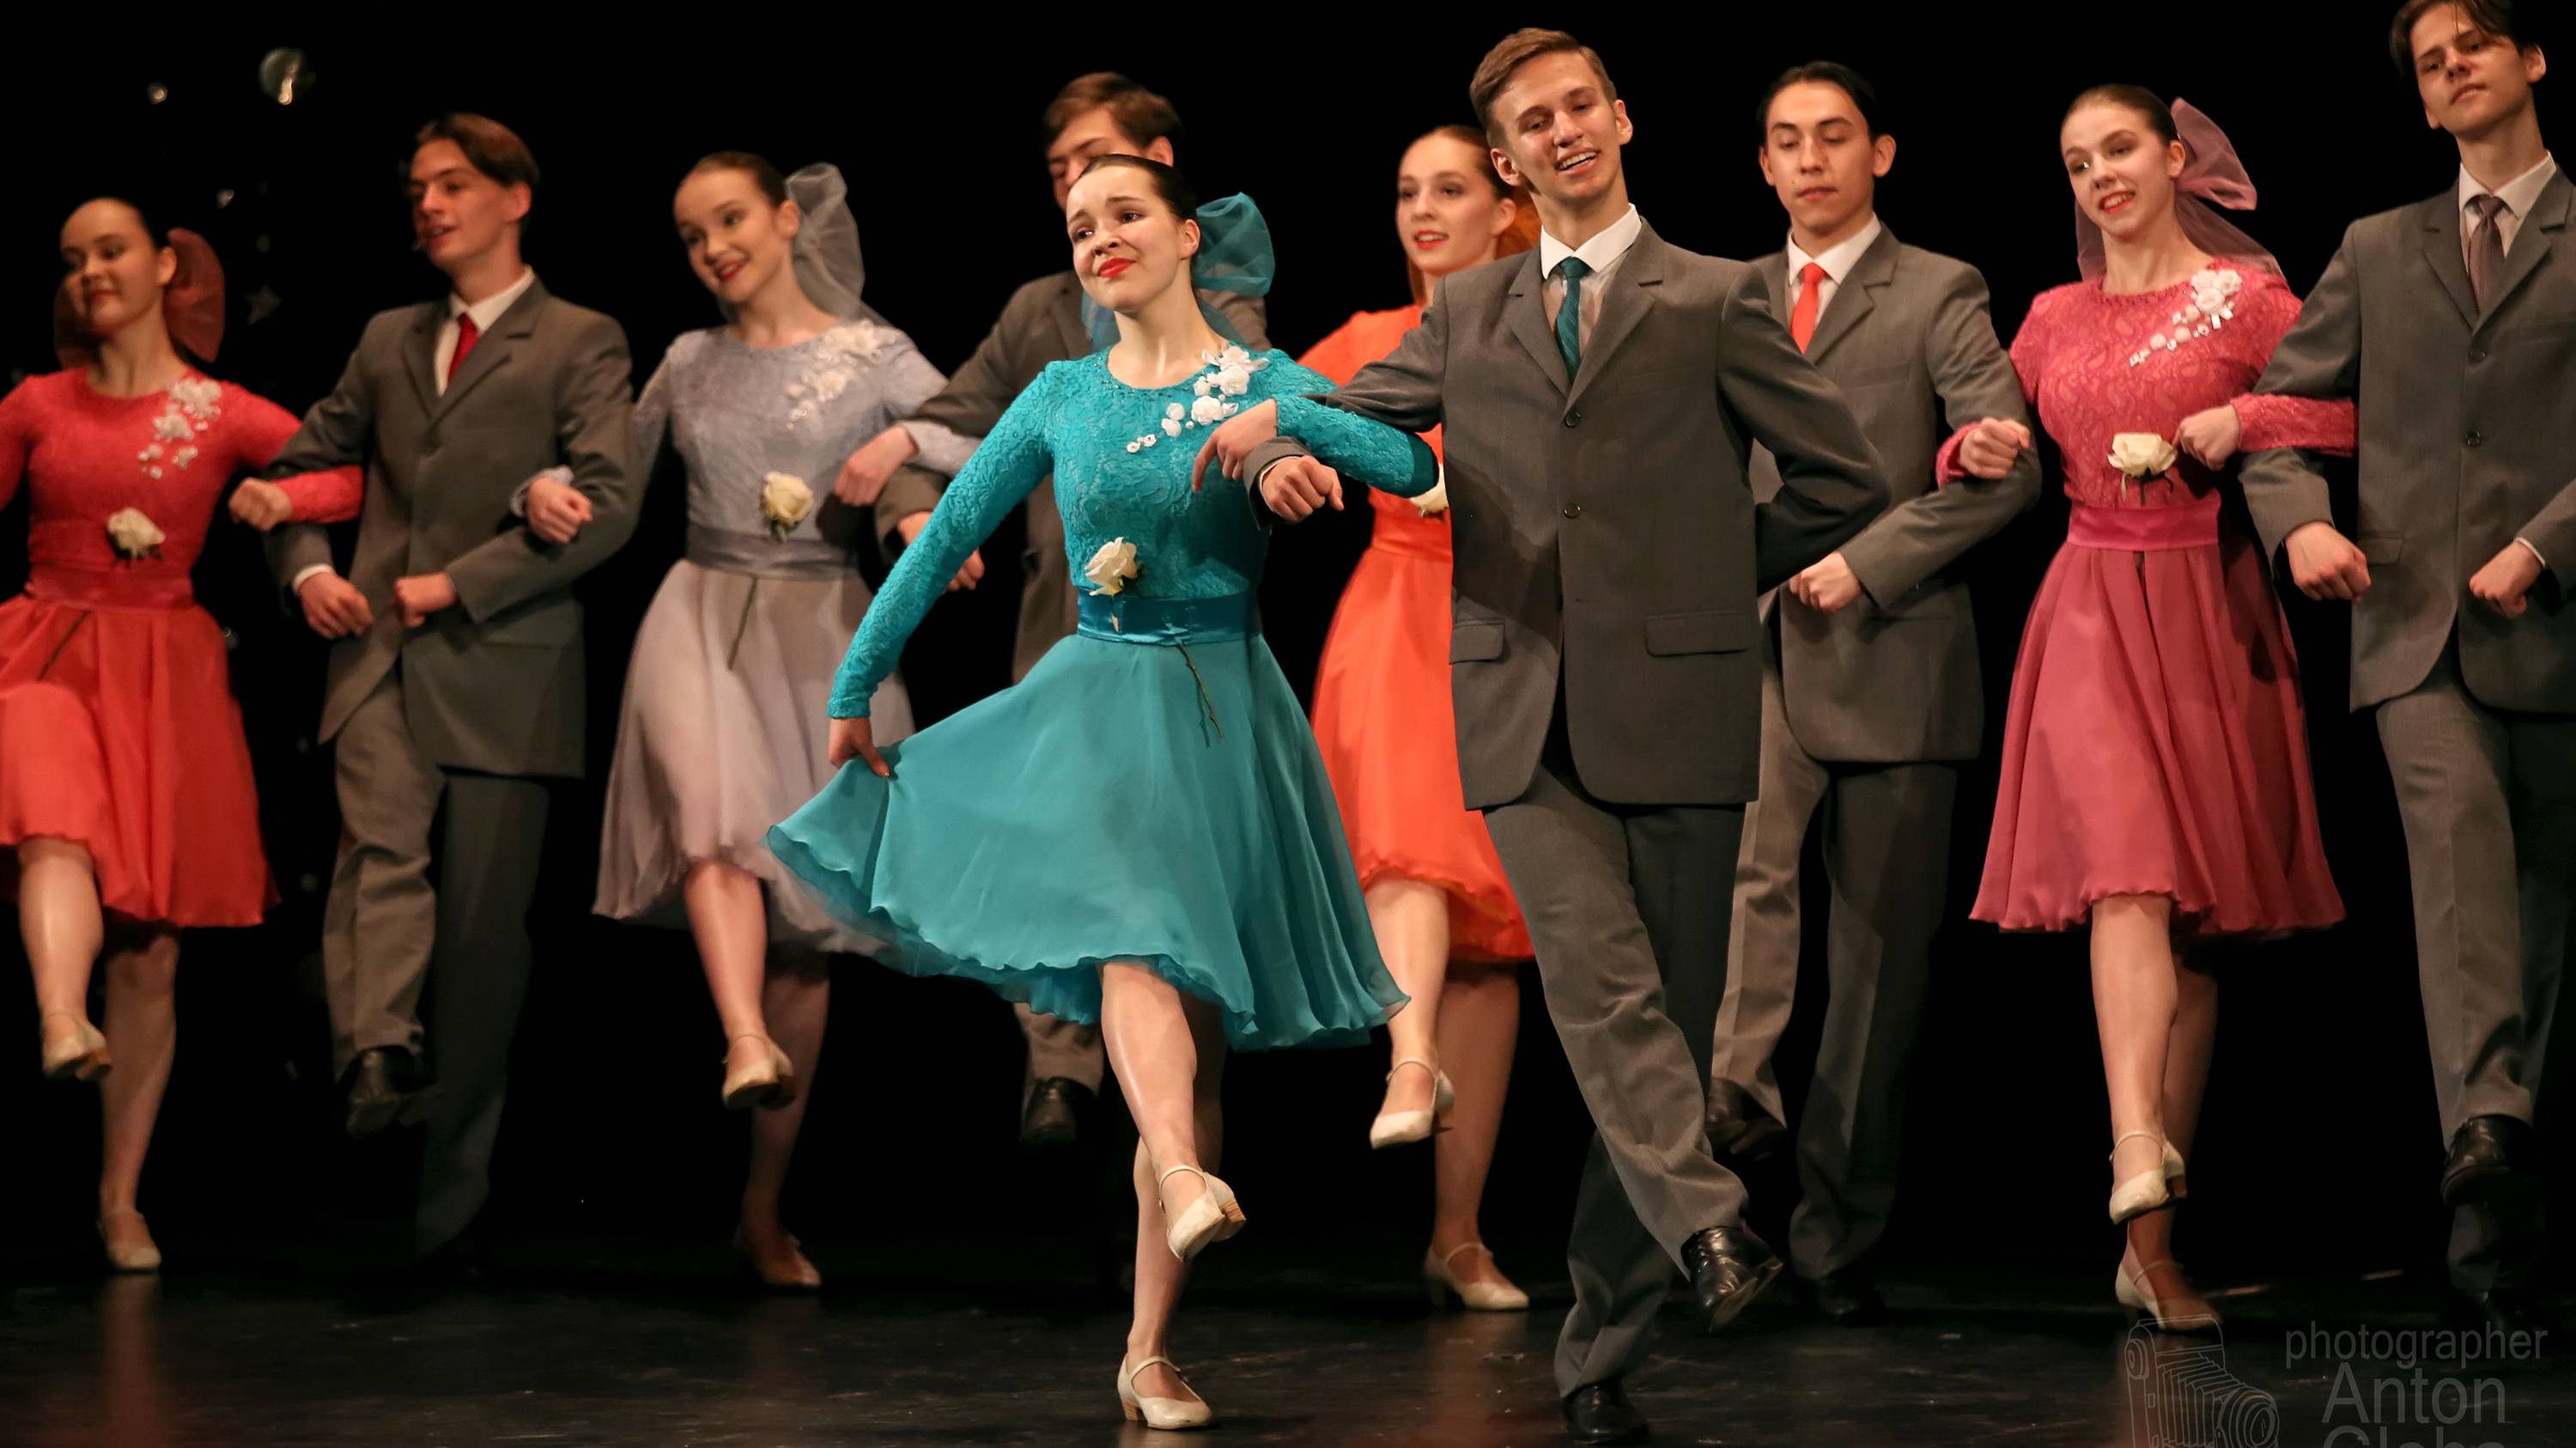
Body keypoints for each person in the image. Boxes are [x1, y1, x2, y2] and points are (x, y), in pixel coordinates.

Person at [1211, 29, 1886, 1445]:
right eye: (1535, 120)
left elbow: (1841, 481)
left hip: (1683, 708)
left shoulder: (1716, 295)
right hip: (1520, 708)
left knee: (1665, 1035)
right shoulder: (1467, 312)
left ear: (1622, 119)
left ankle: (1599, 1350)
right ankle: (1711, 1224)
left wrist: (1711, 580)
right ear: (1510, 160)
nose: (1564, 128)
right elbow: (1344, 412)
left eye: (1582, 104)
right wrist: (1273, 445)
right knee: (1598, 986)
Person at [769, 155, 1430, 1430]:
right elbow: (950, 531)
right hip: (1103, 703)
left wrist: (1283, 427)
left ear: (1186, 237)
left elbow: (1401, 462)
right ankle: (1180, 1171)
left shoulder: (1260, 376)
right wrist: (856, 682)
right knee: (1134, 936)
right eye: (1080, 225)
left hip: (1227, 714)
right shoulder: (1063, 392)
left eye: (1126, 214)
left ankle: (1148, 1347)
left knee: (1197, 1023)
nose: (1101, 237)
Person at [1939, 88, 2351, 1329]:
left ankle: (2152, 1248)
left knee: (2192, 928)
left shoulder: (2252, 299)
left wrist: (2247, 417)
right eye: (2077, 162)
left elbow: (2348, 410)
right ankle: (2132, 1141)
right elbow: (1988, 432)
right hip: (2088, 605)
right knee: (2127, 873)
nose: (2100, 175)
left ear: (2175, 157)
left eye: (2118, 149)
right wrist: (1971, 451)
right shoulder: (2051, 313)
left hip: (2209, 608)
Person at [858, 74, 1270, 1151]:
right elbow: (954, 420)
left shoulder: (1222, 302)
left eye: (1097, 164)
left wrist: (1286, 462)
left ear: (1164, 173)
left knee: (1163, 885)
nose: (1078, 194)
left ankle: (1178, 1149)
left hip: (1188, 647)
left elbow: (1265, 408)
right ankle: (1058, 1058)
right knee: (1062, 845)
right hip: (1069, 629)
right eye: (1061, 179)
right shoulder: (1039, 313)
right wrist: (910, 492)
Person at [2241, 0, 2572, 1337]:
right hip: (2418, 627)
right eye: (2433, 64)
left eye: (2474, 45)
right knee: (2456, 859)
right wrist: (2299, 522)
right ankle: (2485, 1122)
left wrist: (2547, 544)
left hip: (2560, 625)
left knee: (2540, 923)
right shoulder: (2381, 247)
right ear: (2424, 105)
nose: (2455, 69)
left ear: (2532, 58)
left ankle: (2496, 1247)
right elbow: (2278, 412)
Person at [261, 113, 642, 1260]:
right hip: (379, 650)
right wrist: (310, 572)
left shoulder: (579, 337)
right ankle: (376, 1050)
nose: (429, 205)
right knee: (378, 851)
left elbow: (608, 502)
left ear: (516, 198)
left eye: (454, 184)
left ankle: (451, 1192)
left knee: (480, 934)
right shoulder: (389, 337)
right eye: (418, 188)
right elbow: (299, 469)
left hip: (504, 663)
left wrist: (461, 583)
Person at [1706, 61, 2041, 1327]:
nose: (1810, 160)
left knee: (1877, 967)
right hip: (1751, 647)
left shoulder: (1938, 289)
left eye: (1834, 137)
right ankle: (1733, 1107)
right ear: (1763, 164)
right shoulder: (1728, 295)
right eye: (1787, 140)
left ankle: (1835, 1236)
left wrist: (1870, 560)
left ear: (1879, 153)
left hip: (1891, 650)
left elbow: (2004, 466)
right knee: (1743, 889)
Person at [584, 155, 957, 1289]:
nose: (715, 249)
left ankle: (762, 1204)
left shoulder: (871, 353)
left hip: (820, 630)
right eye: (693, 235)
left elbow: (976, 432)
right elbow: (610, 478)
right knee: (713, 821)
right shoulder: (687, 359)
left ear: (788, 219)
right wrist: (538, 492)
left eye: (732, 220)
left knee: (805, 924)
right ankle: (742, 1038)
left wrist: (901, 455)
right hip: (699, 615)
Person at [4, 196, 360, 1271]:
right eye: (73, 258)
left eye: (111, 251)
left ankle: (120, 1201)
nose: (90, 273)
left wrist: (279, 500)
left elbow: (348, 475)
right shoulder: (36, 403)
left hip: (163, 672)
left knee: (151, 946)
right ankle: (60, 1017)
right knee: (51, 822)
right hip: (44, 651)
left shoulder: (220, 410)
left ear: (165, 265)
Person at [1299, 122, 1540, 1311]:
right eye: (1407, 192)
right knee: (1409, 854)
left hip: (1516, 625)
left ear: (1506, 207)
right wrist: (1283, 459)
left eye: (1450, 188)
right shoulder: (1367, 338)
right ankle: (1408, 1060)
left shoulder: (1545, 330)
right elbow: (1264, 413)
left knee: (1490, 952)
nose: (1424, 211)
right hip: (1397, 622)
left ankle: (1459, 1232)